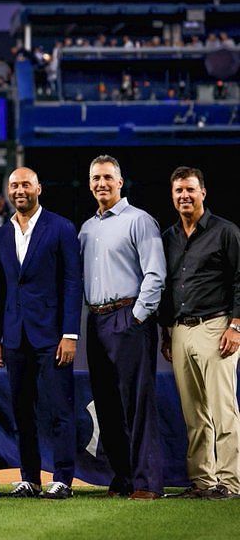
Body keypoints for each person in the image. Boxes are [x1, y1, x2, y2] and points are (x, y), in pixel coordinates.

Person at [0, 168, 82, 499]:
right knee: (21, 412)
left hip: (52, 337)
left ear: (38, 188)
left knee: (59, 410)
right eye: (14, 185)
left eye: (25, 184)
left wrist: (70, 333)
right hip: (14, 338)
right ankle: (29, 477)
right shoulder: (1, 234)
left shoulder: (61, 228)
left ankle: (63, 478)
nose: (19, 190)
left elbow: (72, 283)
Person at [78, 154, 166, 500]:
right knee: (108, 404)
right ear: (90, 184)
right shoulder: (87, 228)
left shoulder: (139, 221)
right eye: (95, 178)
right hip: (96, 319)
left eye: (107, 177)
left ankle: (147, 482)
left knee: (137, 403)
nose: (101, 183)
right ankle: (123, 478)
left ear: (120, 181)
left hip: (127, 315)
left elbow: (155, 274)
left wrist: (137, 316)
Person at [160, 167, 240, 499]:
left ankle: (231, 482)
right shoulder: (169, 237)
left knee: (223, 410)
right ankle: (203, 481)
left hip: (217, 326)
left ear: (203, 192)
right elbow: (166, 288)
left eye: (190, 190)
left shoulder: (226, 232)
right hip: (180, 330)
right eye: (179, 190)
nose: (184, 196)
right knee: (194, 413)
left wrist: (236, 326)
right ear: (173, 195)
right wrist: (167, 334)